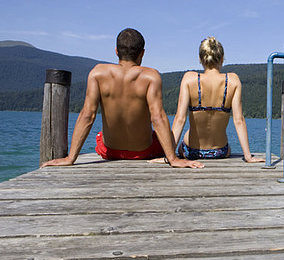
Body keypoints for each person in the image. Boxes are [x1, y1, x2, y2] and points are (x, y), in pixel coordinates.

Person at [41, 28, 203, 169]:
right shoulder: (150, 76)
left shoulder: (98, 73)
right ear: (142, 53)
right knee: (156, 137)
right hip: (144, 151)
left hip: (109, 151)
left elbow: (87, 115)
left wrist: (70, 158)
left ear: (116, 51)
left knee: (100, 135)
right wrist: (173, 159)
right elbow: (158, 117)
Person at [168, 36, 263, 162]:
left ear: (200, 59)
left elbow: (180, 119)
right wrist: (248, 156)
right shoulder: (233, 80)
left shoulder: (189, 79)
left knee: (184, 141)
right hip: (220, 151)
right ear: (222, 59)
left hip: (190, 151)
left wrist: (169, 156)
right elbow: (238, 120)